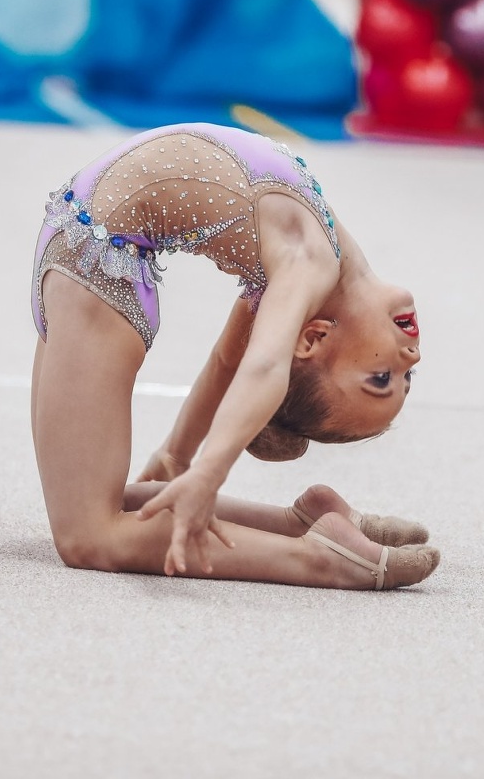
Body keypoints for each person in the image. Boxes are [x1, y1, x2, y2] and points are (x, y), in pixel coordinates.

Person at [30, 123, 440, 590]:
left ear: (313, 339)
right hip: (89, 254)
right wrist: (185, 465)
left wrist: (193, 466)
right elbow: (244, 363)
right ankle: (300, 526)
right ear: (311, 340)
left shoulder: (306, 265)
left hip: (92, 267)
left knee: (88, 534)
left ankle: (319, 559)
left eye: (386, 377)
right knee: (99, 505)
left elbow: (244, 363)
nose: (413, 356)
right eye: (394, 378)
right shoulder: (310, 261)